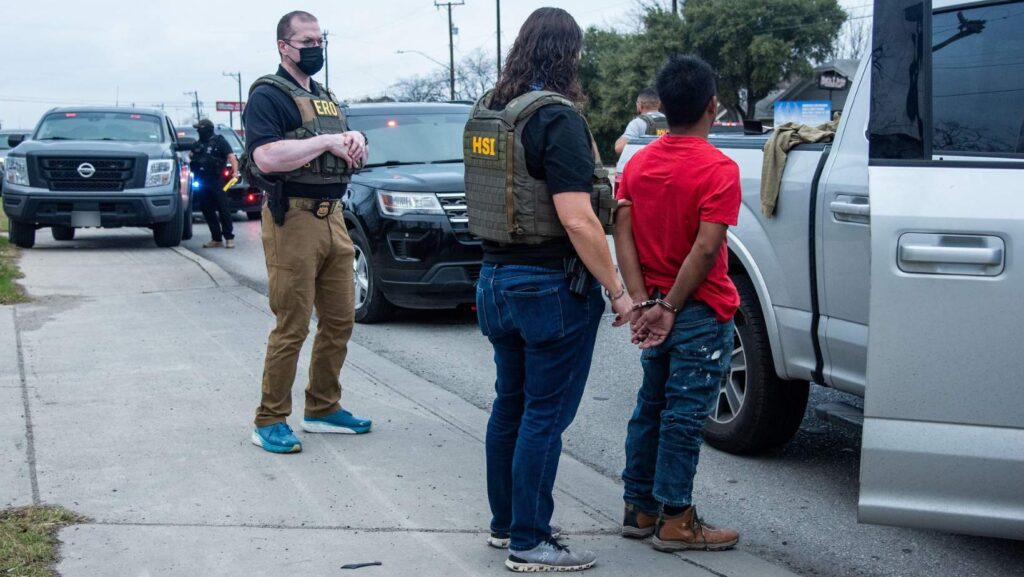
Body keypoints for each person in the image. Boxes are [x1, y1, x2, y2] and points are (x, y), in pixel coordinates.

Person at [463, 7, 632, 573]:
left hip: (493, 279)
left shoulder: (490, 109)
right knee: (544, 415)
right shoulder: (555, 119)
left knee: (509, 404)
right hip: (547, 286)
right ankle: (530, 541)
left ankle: (507, 524)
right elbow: (579, 219)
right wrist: (618, 289)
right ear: (570, 55)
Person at [613, 54, 741, 552]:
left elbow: (621, 231)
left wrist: (644, 302)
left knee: (651, 405)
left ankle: (639, 507)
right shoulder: (719, 168)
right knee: (684, 414)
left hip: (655, 306)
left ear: (662, 108)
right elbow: (707, 248)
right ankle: (676, 519)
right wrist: (669, 306)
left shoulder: (639, 162)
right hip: (700, 310)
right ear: (712, 106)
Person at [242, 10, 371, 454]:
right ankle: (269, 419)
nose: (315, 47)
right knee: (292, 324)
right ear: (284, 46)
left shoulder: (326, 97)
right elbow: (265, 157)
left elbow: (343, 143)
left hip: (334, 217)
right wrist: (326, 143)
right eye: (306, 40)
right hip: (292, 219)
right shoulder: (268, 95)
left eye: (320, 39)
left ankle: (322, 408)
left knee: (340, 319)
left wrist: (356, 142)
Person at [189, 118, 238, 248]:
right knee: (207, 211)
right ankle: (216, 239)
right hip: (201, 181)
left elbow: (231, 156)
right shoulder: (197, 144)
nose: (198, 131)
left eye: (200, 128)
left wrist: (235, 171)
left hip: (217, 181)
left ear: (206, 129)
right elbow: (190, 156)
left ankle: (229, 237)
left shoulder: (220, 142)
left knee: (223, 209)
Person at [613, 87, 667, 155]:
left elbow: (619, 148)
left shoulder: (637, 123)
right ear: (659, 105)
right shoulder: (671, 121)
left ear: (640, 106)